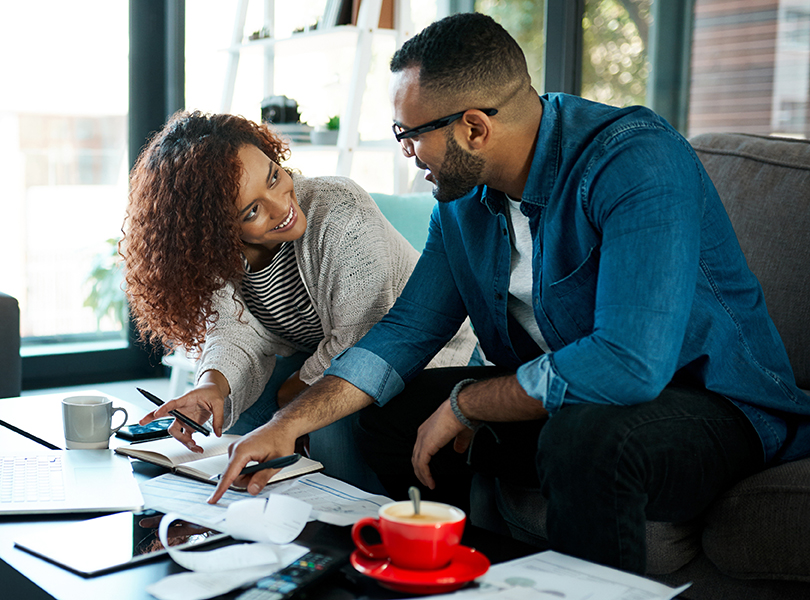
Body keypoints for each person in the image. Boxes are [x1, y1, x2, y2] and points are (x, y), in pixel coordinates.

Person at [207, 13, 810, 574]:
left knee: (587, 437)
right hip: (574, 403)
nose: (407, 153)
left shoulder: (634, 161)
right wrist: (287, 423)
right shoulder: (463, 202)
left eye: (408, 134)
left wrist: (472, 403)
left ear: (473, 127)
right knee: (390, 411)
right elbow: (405, 333)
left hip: (712, 409)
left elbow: (631, 364)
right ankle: (445, 574)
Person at [122, 111, 478, 494]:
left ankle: (343, 515)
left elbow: (360, 344)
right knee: (239, 416)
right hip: (322, 353)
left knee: (323, 421)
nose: (280, 206)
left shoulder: (340, 211)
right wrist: (213, 388)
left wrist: (288, 404)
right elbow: (235, 333)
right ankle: (257, 502)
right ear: (216, 232)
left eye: (274, 177)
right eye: (253, 211)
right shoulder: (219, 255)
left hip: (415, 355)